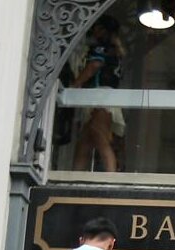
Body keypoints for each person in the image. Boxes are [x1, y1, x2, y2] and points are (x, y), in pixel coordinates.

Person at [70, 15, 124, 172]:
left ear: (102, 30)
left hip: (101, 95)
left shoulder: (101, 48)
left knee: (99, 136)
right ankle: (76, 175)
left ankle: (110, 176)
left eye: (97, 28)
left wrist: (75, 84)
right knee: (85, 141)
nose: (94, 31)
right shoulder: (115, 50)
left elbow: (94, 65)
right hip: (102, 95)